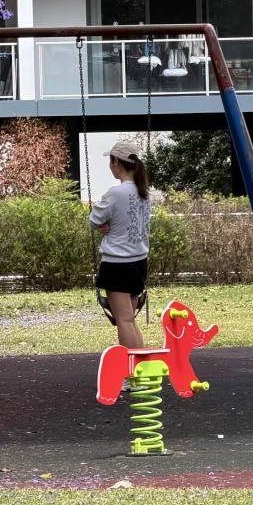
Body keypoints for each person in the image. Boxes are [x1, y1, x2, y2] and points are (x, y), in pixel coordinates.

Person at [89, 139, 151, 354]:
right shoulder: (143, 192)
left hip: (117, 264)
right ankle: (140, 370)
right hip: (138, 262)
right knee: (130, 320)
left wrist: (102, 227)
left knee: (123, 320)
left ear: (115, 162)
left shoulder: (116, 193)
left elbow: (94, 218)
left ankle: (132, 372)